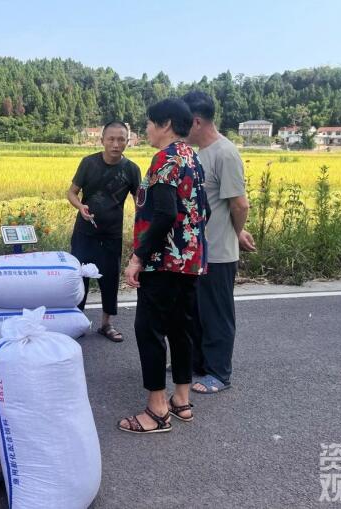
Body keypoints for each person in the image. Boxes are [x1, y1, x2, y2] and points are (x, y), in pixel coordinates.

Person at [118, 98, 209, 434]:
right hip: (189, 261)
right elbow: (204, 211)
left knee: (150, 330)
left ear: (166, 123)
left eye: (149, 122)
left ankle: (157, 410)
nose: (146, 129)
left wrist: (138, 256)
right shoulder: (192, 158)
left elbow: (165, 213)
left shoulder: (166, 158)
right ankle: (181, 400)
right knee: (180, 329)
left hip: (163, 261)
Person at [182, 91, 257, 394]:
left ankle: (218, 373)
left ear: (196, 121)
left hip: (218, 251)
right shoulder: (200, 152)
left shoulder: (225, 153)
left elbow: (240, 204)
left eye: (183, 123)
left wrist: (235, 233)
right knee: (195, 312)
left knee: (216, 315)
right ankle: (197, 362)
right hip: (197, 251)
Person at [67, 121, 141, 342]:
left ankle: (106, 324)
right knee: (79, 278)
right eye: (111, 139)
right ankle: (77, 322)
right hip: (84, 232)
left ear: (127, 142)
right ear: (102, 141)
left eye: (121, 139)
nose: (116, 144)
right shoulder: (88, 163)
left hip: (112, 234)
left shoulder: (131, 169)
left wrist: (142, 228)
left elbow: (139, 202)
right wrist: (80, 206)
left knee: (110, 279)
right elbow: (71, 192)